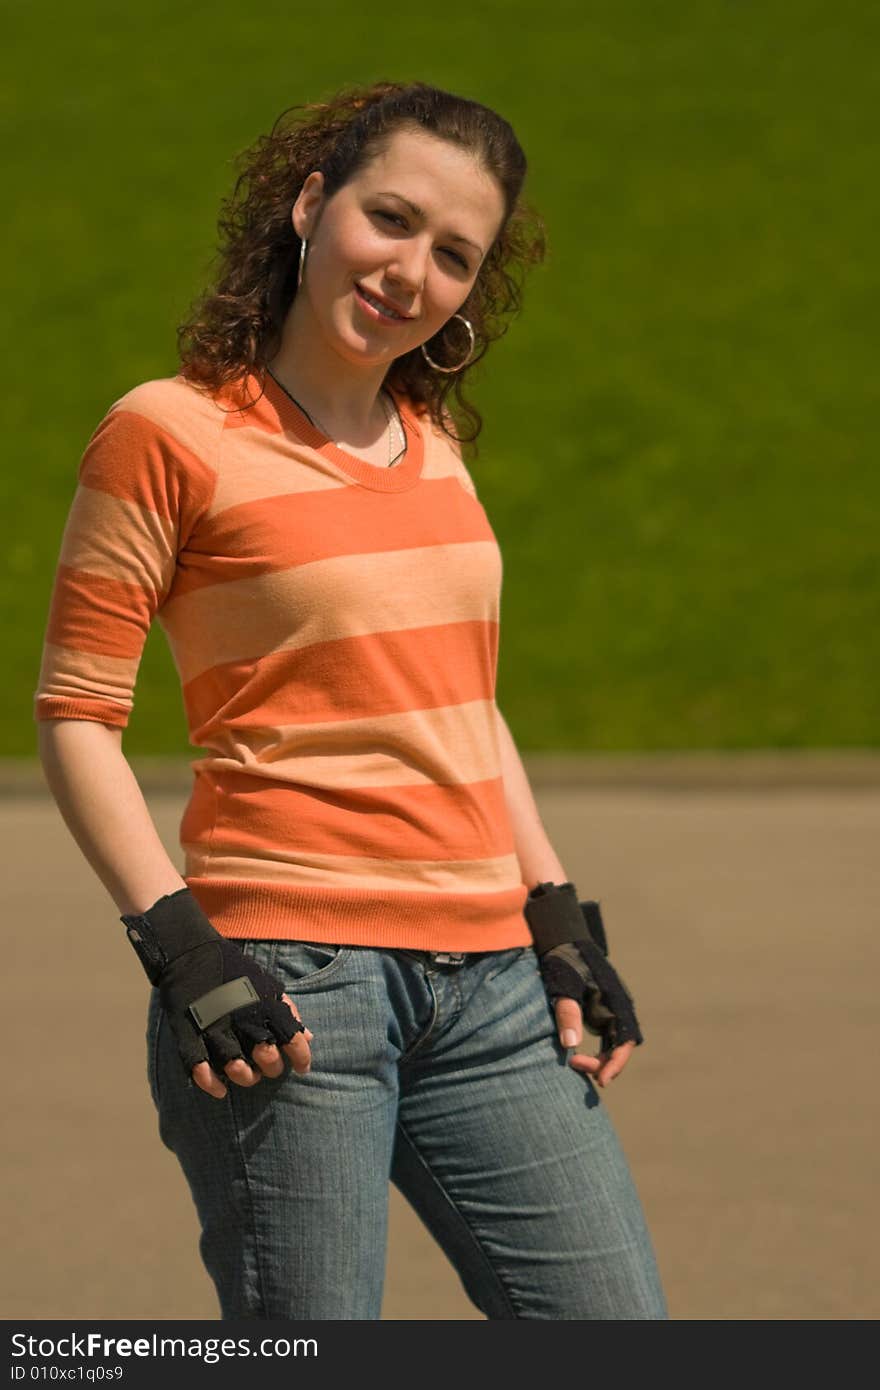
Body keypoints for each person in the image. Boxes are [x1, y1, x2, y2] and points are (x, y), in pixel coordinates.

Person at [34, 80, 668, 1321]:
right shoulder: (166, 433)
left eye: (453, 255)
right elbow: (76, 715)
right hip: (287, 991)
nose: (410, 271)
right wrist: (180, 947)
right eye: (390, 219)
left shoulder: (432, 445)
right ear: (309, 204)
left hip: (488, 988)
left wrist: (555, 910)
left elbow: (460, 704)